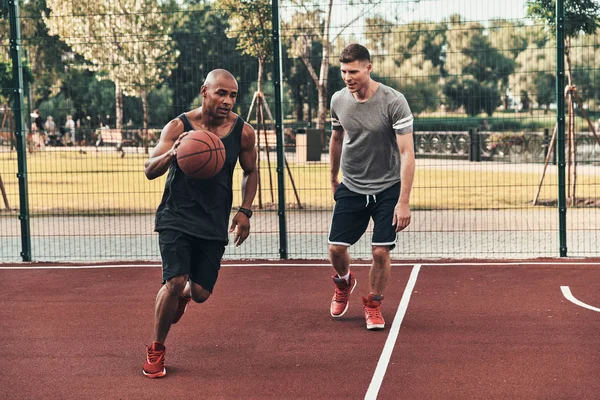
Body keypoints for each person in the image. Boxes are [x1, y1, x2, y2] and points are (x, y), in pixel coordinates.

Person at [142, 69, 258, 378]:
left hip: (213, 221)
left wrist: (245, 210)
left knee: (201, 292)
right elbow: (149, 169)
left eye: (233, 95)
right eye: (221, 93)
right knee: (175, 280)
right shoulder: (179, 125)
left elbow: (251, 170)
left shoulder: (243, 132)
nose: (228, 101)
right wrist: (174, 152)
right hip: (175, 216)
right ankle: (156, 348)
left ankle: (182, 297)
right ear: (203, 91)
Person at [327, 43, 415, 330]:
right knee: (336, 249)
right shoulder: (338, 100)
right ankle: (344, 283)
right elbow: (337, 139)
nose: (348, 77)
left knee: (380, 251)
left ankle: (373, 304)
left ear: (368, 68)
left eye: (353, 71)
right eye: (343, 72)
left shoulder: (394, 101)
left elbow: (406, 153)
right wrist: (332, 177)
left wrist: (403, 200)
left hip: (387, 187)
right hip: (352, 184)